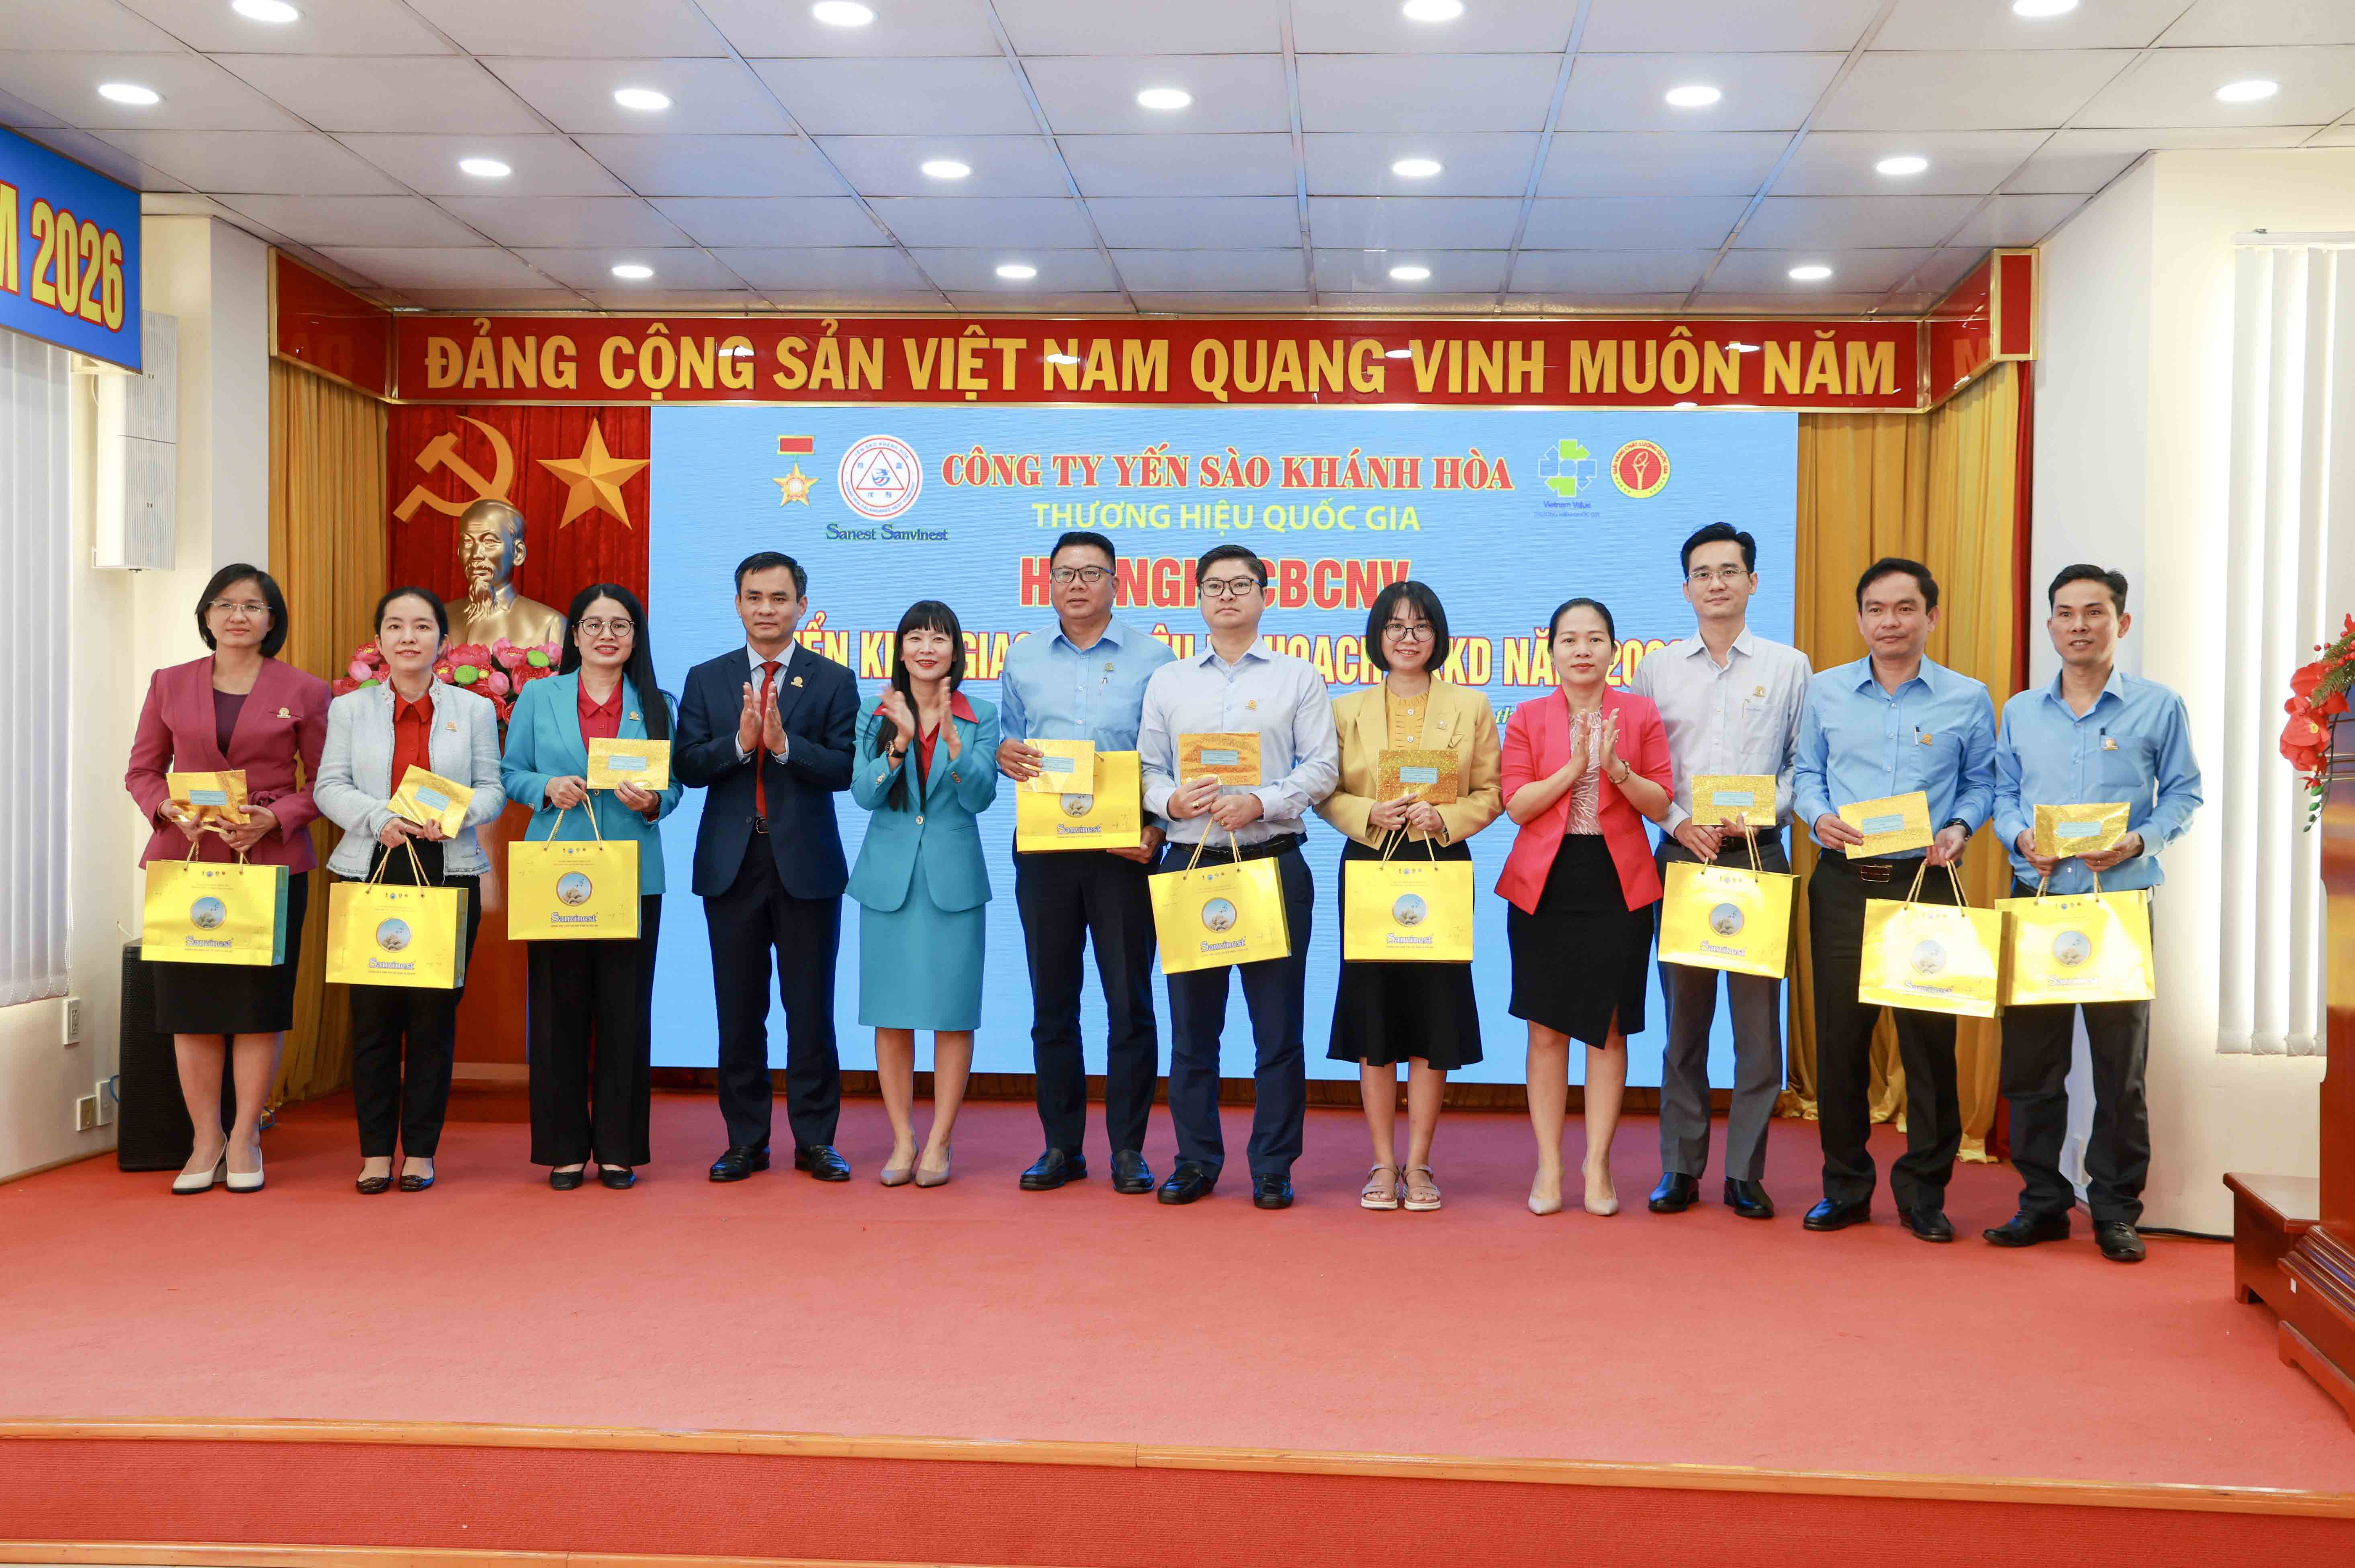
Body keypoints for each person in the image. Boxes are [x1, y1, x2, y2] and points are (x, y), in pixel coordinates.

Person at [1985, 566, 2202, 1263]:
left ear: (2121, 623)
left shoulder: (2158, 706)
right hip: (2039, 902)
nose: (2078, 625)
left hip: (2118, 907)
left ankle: (2113, 1210)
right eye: (2065, 613)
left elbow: (2184, 794)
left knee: (2119, 1070)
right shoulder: (2020, 711)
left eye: (2094, 612)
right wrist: (2018, 836)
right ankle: (2041, 1204)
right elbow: (2002, 793)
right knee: (2031, 1066)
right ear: (2049, 624)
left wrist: (2140, 840)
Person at [1793, 557, 1996, 1243]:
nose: (1890, 622)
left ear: (1930, 617)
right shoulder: (1824, 691)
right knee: (1840, 1042)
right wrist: (1817, 815)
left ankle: (1923, 1194)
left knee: (1929, 1044)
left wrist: (1960, 826)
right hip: (1844, 882)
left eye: (1905, 609)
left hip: (1924, 883)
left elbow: (1981, 782)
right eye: (1876, 609)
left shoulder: (1967, 697)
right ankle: (1844, 1188)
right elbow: (1806, 772)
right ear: (1859, 620)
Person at [1139, 544, 1339, 1210]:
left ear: (1264, 595)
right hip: (1190, 862)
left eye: (1241, 585)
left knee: (1277, 1031)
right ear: (1197, 597)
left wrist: (1262, 801)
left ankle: (1273, 1165)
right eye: (1214, 586)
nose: (1227, 596)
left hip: (1270, 861)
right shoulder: (1169, 681)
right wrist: (1170, 801)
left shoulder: (1298, 677)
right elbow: (1148, 769)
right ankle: (1194, 1161)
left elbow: (1322, 768)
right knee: (1193, 1031)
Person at [126, 565, 329, 1196]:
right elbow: (142, 771)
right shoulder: (168, 682)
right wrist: (167, 808)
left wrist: (277, 816)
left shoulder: (305, 689)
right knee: (190, 1008)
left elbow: (325, 782)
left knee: (256, 1007)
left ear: (272, 620)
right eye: (224, 604)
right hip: (186, 863)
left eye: (253, 606)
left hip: (268, 864)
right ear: (206, 616)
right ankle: (204, 1139)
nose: (238, 616)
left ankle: (244, 1137)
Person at [1630, 523, 1813, 1220]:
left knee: (1758, 1031)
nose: (1716, 583)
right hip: (1684, 856)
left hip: (1758, 858)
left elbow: (1802, 764)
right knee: (1684, 1024)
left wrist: (1766, 814)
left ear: (1752, 582)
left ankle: (1744, 1172)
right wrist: (1680, 821)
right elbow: (1643, 768)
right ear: (1686, 588)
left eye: (1729, 571)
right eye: (1703, 573)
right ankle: (1679, 1167)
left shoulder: (1788, 666)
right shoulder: (1657, 670)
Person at [996, 531, 1176, 1194]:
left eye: (1091, 573)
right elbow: (1011, 741)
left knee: (1129, 1003)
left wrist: (1158, 827)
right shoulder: (1021, 657)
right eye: (1064, 574)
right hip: (1045, 849)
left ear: (1116, 584)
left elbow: (1168, 756)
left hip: (1123, 850)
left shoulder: (1155, 659)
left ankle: (1128, 1149)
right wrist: (1003, 755)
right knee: (1053, 1003)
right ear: (1047, 584)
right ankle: (1061, 1147)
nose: (1077, 584)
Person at [1315, 580, 1502, 1212]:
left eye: (1420, 626)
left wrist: (1445, 818)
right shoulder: (1345, 710)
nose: (1407, 637)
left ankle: (1418, 1165)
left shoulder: (1470, 706)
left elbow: (1491, 792)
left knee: (1433, 1015)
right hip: (1371, 861)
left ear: (1437, 637)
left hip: (1439, 862)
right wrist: (1369, 813)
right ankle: (1381, 1163)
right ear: (1377, 636)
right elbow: (1325, 791)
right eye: (1395, 626)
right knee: (1373, 1013)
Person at [675, 551, 859, 1186]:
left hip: (806, 865)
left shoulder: (832, 679)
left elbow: (844, 769)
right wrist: (739, 744)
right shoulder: (707, 678)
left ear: (801, 606)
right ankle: (745, 1141)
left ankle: (816, 1141)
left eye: (779, 598)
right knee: (738, 1011)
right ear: (737, 604)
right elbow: (687, 766)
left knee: (811, 1011)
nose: (766, 609)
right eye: (754, 597)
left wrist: (783, 747)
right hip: (732, 865)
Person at [314, 588, 506, 1194]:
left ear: (443, 642)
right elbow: (329, 786)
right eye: (395, 626)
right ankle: (375, 1152)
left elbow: (492, 788)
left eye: (422, 626)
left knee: (432, 1022)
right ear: (379, 641)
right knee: (372, 1020)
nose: (408, 637)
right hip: (370, 864)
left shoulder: (474, 710)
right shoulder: (350, 710)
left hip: (448, 866)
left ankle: (420, 1150)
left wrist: (454, 816)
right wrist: (380, 819)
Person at [501, 583, 682, 1191]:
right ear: (574, 635)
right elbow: (510, 772)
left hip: (632, 874)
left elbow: (675, 787)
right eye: (594, 624)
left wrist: (653, 801)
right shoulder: (538, 695)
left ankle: (618, 1149)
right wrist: (545, 787)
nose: (607, 635)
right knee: (558, 1012)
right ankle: (564, 1148)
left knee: (625, 1013)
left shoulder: (657, 702)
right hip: (557, 873)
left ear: (635, 637)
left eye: (620, 625)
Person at [1498, 598, 1674, 1218]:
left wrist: (1616, 769)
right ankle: (1548, 1163)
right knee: (1544, 1029)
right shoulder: (1527, 716)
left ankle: (1596, 1164)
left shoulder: (1640, 713)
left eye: (1594, 639)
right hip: (1545, 884)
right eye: (1569, 639)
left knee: (1608, 1028)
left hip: (1616, 881)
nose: (1582, 650)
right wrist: (1575, 768)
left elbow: (1660, 804)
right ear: (1550, 651)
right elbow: (1516, 806)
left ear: (1613, 650)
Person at [847, 601, 1001, 1188]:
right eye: (915, 638)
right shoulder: (876, 711)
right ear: (900, 649)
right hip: (888, 879)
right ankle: (902, 1139)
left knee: (952, 1014)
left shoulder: (980, 714)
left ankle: (939, 1141)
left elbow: (980, 798)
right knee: (891, 1015)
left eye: (939, 639)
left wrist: (958, 752)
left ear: (956, 651)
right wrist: (898, 746)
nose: (927, 648)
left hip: (953, 879)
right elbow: (863, 794)